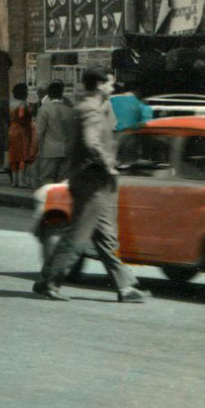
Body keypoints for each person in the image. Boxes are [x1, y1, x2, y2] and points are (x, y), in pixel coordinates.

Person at [34, 69, 145, 303]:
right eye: (110, 83)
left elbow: (108, 137)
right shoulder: (89, 109)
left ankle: (125, 287)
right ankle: (48, 281)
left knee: (106, 236)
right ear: (99, 84)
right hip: (90, 180)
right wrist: (109, 165)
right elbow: (91, 141)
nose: (113, 88)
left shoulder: (102, 107)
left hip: (99, 181)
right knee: (78, 234)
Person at [34, 81, 74, 185]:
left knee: (47, 179)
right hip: (66, 151)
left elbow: (38, 131)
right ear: (62, 93)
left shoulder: (44, 109)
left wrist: (35, 149)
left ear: (49, 94)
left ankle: (49, 200)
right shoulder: (69, 110)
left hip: (49, 151)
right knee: (63, 182)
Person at [7, 82, 37, 187]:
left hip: (11, 131)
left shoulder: (10, 103)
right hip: (21, 132)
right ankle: (21, 181)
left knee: (13, 156)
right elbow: (21, 117)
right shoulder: (22, 105)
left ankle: (14, 181)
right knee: (22, 156)